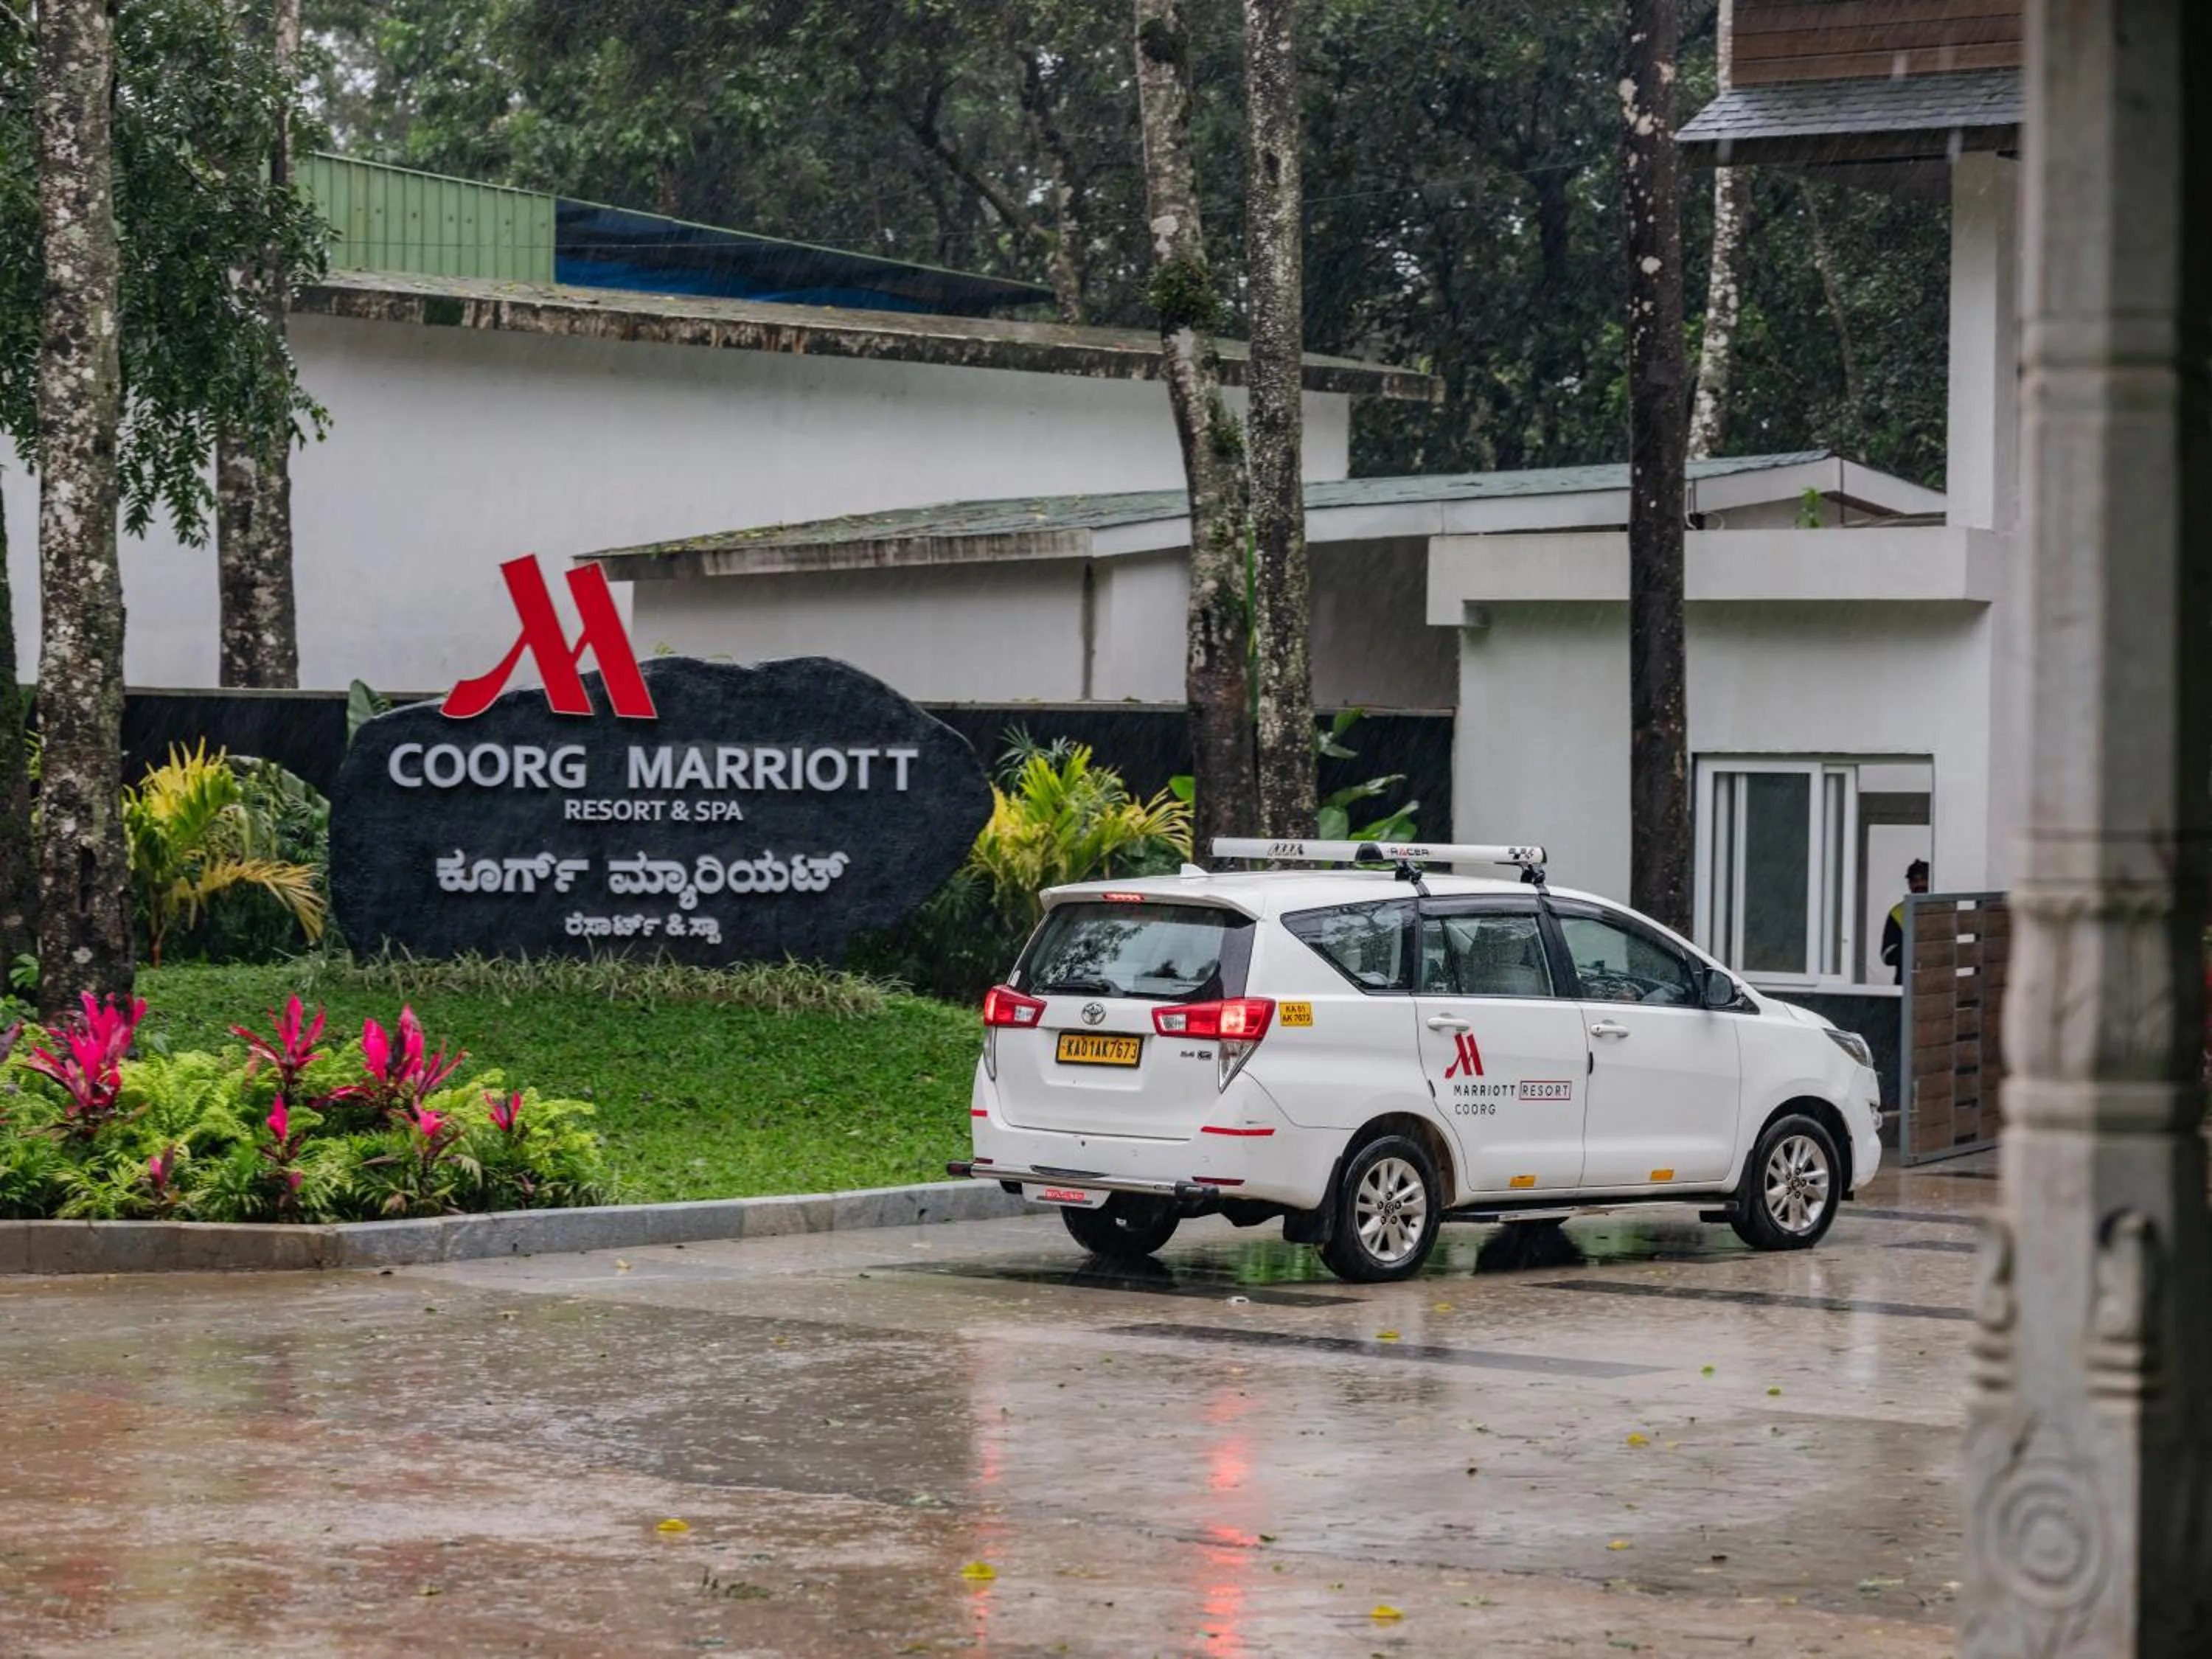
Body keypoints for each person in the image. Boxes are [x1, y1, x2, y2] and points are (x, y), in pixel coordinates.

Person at [1880, 858, 1931, 984]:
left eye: (1924, 879)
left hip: (1937, 985)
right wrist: (1913, 947)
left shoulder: (1944, 909)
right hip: (1907, 985)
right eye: (1914, 881)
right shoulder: (1898, 913)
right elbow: (1887, 956)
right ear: (1909, 884)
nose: (1919, 885)